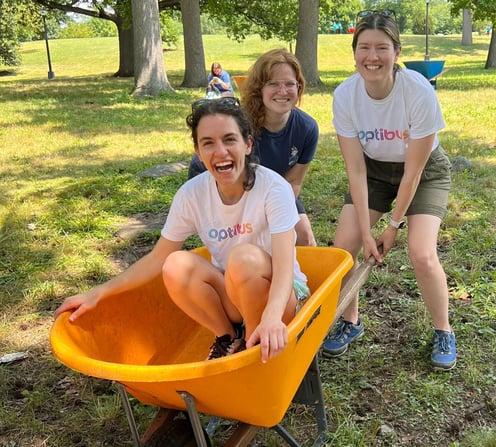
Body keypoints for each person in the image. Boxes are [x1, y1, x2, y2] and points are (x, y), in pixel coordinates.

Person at [54, 97, 309, 364]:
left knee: (242, 257)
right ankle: (229, 337)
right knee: (174, 264)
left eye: (229, 139)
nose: (220, 151)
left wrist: (271, 316)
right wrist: (97, 293)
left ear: (247, 145)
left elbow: (282, 266)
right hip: (236, 294)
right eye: (208, 143)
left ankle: (255, 347)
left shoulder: (273, 188)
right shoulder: (192, 194)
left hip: (283, 296)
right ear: (198, 152)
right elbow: (157, 258)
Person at [321, 9, 456, 371]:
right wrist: (366, 233)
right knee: (343, 249)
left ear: (397, 52)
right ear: (354, 53)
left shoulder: (417, 90)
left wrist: (392, 227)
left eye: (382, 47)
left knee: (421, 253)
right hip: (374, 172)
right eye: (364, 47)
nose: (372, 57)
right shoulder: (345, 95)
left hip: (424, 171)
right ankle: (351, 321)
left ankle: (443, 329)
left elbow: (413, 173)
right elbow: (355, 168)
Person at [189, 49, 318, 247]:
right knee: (246, 247)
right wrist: (256, 224)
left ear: (299, 87)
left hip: (274, 190)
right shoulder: (240, 123)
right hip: (228, 187)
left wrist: (274, 216)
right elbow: (228, 181)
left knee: (304, 236)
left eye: (290, 84)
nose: (282, 91)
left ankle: (297, 277)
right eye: (273, 84)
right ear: (259, 88)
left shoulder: (307, 128)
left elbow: (292, 183)